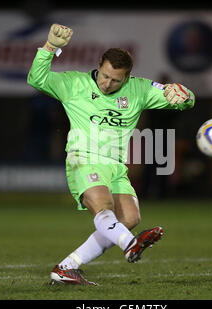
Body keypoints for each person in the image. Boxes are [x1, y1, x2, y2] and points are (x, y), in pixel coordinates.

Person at [27, 24, 196, 285]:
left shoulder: (139, 90)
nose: (107, 83)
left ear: (127, 77)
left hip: (116, 166)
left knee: (129, 218)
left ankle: (66, 267)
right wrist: (50, 47)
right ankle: (131, 244)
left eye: (115, 80)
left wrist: (183, 95)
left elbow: (185, 100)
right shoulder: (75, 84)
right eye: (105, 76)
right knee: (103, 207)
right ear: (99, 65)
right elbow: (36, 79)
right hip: (83, 158)